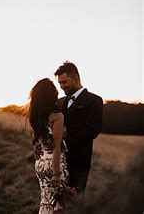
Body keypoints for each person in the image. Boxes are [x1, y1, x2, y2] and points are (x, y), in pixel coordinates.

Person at [54, 61, 103, 193]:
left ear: (75, 79)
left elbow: (93, 130)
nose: (61, 87)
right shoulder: (60, 102)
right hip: (58, 161)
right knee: (58, 200)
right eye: (59, 83)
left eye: (64, 82)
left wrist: (65, 139)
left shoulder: (94, 101)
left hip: (80, 162)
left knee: (75, 201)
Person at [27, 78, 69, 213]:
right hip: (54, 164)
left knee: (46, 202)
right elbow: (57, 147)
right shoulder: (57, 116)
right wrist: (57, 173)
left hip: (40, 163)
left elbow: (37, 142)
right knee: (57, 205)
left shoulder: (36, 116)